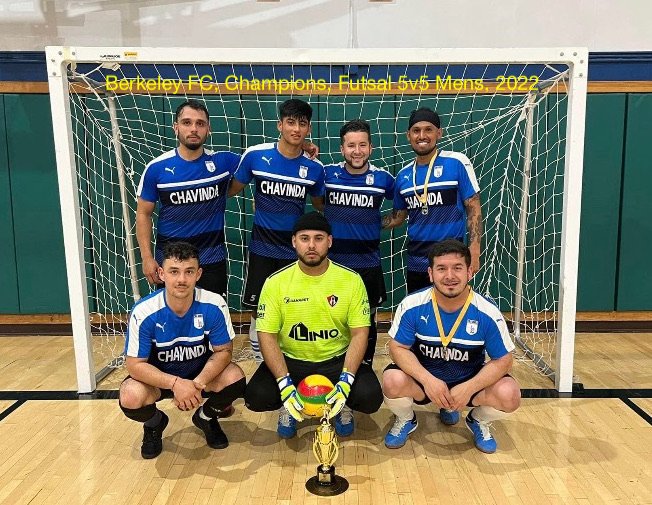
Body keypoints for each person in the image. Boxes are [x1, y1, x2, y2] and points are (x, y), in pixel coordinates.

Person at [244, 212, 383, 439]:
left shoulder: (351, 280)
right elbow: (266, 336)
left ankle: (341, 403)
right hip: (292, 361)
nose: (311, 245)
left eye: (318, 238)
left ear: (329, 241)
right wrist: (284, 383)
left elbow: (360, 334)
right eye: (304, 238)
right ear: (294, 242)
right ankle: (288, 404)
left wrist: (346, 381)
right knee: (256, 396)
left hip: (336, 360)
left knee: (370, 397)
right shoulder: (275, 282)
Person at [382, 239, 520, 453]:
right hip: (425, 381)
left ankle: (478, 421)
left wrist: (470, 388)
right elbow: (397, 348)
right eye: (441, 269)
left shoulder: (487, 312)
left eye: (457, 268)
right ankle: (406, 419)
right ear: (430, 273)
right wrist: (428, 381)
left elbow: (504, 360)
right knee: (392, 381)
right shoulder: (412, 305)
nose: (449, 276)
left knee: (509, 394)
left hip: (467, 381)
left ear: (470, 272)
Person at [119, 241, 246, 459]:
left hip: (199, 377)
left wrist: (196, 385)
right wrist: (176, 384)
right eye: (174, 272)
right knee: (130, 395)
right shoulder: (144, 311)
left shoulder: (214, 304)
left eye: (189, 272)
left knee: (235, 377)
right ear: (161, 273)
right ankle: (154, 424)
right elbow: (134, 365)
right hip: (160, 381)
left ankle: (206, 417)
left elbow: (224, 351)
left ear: (198, 274)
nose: (181, 279)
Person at [228, 99, 325, 361]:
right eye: (290, 122)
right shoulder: (255, 156)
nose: (296, 129)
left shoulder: (315, 169)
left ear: (308, 129)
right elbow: (230, 190)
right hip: (262, 249)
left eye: (302, 124)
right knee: (258, 310)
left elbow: (319, 206)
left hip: (295, 252)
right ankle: (262, 366)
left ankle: (292, 361)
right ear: (279, 124)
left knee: (293, 309)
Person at [136, 99, 239, 299]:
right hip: (172, 262)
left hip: (211, 259)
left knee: (212, 321)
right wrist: (147, 258)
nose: (193, 129)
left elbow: (261, 164)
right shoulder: (156, 169)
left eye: (200, 123)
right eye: (187, 122)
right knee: (173, 322)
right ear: (176, 127)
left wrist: (299, 145)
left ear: (208, 129)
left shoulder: (223, 161)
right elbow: (143, 213)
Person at [382, 107, 482, 293]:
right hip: (416, 260)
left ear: (439, 133)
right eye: (416, 130)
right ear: (408, 135)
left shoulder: (457, 162)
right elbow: (398, 217)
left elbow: (473, 207)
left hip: (451, 260)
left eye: (428, 129)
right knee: (420, 314)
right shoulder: (403, 176)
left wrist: (474, 250)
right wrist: (366, 222)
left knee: (452, 312)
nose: (422, 135)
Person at [323, 119, 395, 365]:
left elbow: (402, 209)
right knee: (332, 317)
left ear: (371, 148)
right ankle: (331, 366)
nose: (357, 151)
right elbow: (314, 200)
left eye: (362, 145)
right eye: (351, 145)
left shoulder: (383, 179)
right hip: (333, 266)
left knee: (367, 319)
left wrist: (378, 223)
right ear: (342, 149)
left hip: (368, 265)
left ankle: (363, 368)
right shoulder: (327, 174)